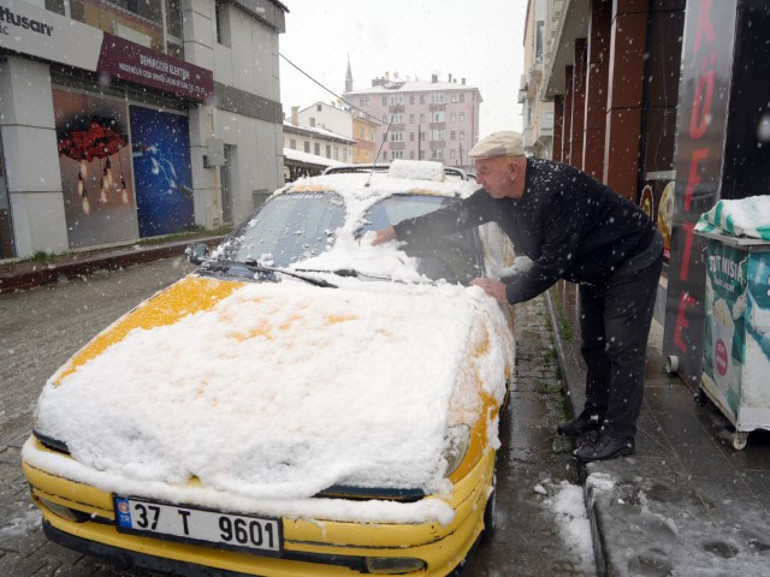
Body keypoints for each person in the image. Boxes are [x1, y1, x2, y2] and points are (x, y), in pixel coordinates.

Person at [371, 131, 663, 463]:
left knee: (622, 348)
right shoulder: (495, 197)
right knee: (593, 343)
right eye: (477, 171)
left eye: (484, 170)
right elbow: (454, 216)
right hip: (594, 265)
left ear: (512, 168)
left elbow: (554, 262)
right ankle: (596, 414)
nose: (478, 179)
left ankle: (620, 435)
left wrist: (509, 292)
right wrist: (399, 230)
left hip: (631, 257)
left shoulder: (557, 189)